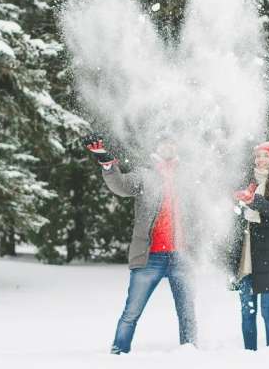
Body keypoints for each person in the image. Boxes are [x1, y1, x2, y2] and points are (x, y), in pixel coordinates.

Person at [83, 134, 197, 354]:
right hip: (150, 256)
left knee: (187, 313)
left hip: (181, 256)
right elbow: (121, 185)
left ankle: (190, 355)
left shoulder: (186, 177)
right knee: (132, 311)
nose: (168, 146)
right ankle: (118, 353)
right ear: (157, 147)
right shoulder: (145, 175)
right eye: (163, 142)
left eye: (171, 141)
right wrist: (107, 163)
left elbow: (200, 207)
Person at [228, 141, 269, 351]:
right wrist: (237, 204)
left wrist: (252, 200)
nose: (261, 159)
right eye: (258, 156)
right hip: (247, 258)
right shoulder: (247, 181)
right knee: (248, 313)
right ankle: (250, 357)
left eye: (266, 155)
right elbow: (234, 216)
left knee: (268, 312)